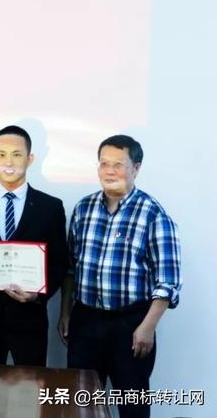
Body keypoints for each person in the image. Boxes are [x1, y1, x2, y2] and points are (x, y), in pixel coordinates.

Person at [58, 135, 181, 418]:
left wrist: (147, 327)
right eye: (104, 164)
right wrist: (65, 312)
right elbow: (70, 268)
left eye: (118, 165)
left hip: (131, 323)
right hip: (85, 320)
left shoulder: (153, 214)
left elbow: (168, 282)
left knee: (132, 404)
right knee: (81, 404)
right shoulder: (84, 208)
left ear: (136, 168)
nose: (109, 171)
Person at [0, 125, 68, 366]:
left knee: (31, 386)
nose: (8, 162)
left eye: (17, 154)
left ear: (30, 159)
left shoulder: (50, 206)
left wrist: (38, 295)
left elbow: (59, 262)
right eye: (1, 155)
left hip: (29, 319)